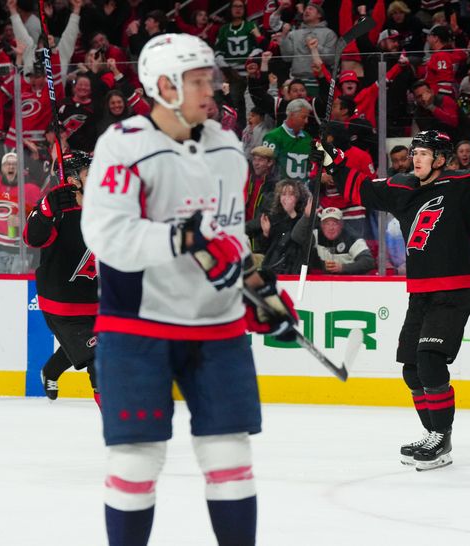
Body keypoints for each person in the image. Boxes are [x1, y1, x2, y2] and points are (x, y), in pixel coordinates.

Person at [80, 34, 297, 546]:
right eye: (197, 80)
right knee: (136, 458)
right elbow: (109, 238)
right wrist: (183, 236)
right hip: (138, 324)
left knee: (231, 455)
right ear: (163, 87)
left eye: (210, 77)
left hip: (216, 326)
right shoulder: (123, 144)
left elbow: (230, 236)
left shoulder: (226, 147)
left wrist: (255, 290)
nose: (210, 88)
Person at [314, 129, 470, 470]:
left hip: (452, 292)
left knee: (430, 361)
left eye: (423, 154)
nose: (416, 158)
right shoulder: (401, 188)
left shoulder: (460, 185)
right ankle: (432, 433)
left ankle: (442, 438)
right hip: (419, 294)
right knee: (411, 368)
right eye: (414, 152)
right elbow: (361, 188)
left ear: (439, 159)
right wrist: (335, 160)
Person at [24, 151, 99, 404]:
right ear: (74, 180)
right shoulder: (57, 207)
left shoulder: (105, 206)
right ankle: (123, 433)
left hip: (98, 298)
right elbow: (32, 238)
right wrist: (46, 211)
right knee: (100, 359)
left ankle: (51, 370)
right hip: (63, 303)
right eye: (90, 173)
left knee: (90, 345)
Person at [307, 207, 376, 274]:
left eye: (334, 224)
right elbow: (298, 239)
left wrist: (343, 268)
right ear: (322, 225)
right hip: (324, 282)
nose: (331, 228)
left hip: (349, 282)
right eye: (327, 224)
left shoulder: (352, 238)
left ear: (341, 225)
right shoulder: (316, 235)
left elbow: (368, 262)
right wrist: (305, 217)